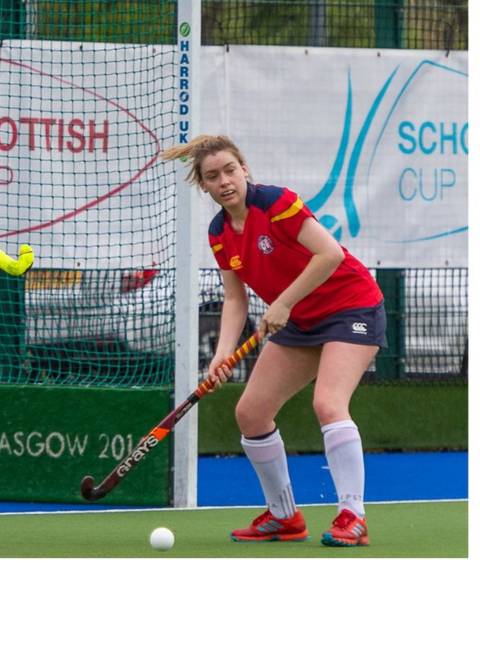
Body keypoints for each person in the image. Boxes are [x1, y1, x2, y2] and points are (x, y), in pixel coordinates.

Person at [162, 135, 384, 547]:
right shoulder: (219, 233)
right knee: (251, 413)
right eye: (213, 176)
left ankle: (352, 516)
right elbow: (234, 297)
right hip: (299, 321)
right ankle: (284, 517)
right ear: (204, 186)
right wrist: (223, 353)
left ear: (244, 169)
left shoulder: (276, 203)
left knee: (328, 403)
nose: (224, 180)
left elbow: (330, 254)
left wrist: (282, 302)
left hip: (351, 306)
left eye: (230, 170)